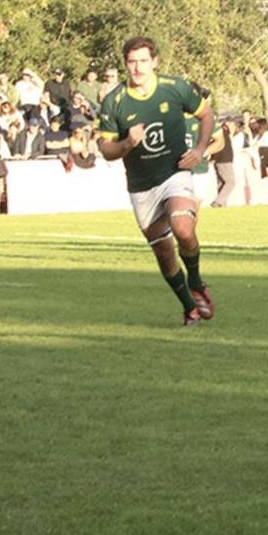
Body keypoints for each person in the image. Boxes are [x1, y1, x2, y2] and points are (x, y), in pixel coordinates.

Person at [96, 35, 215, 325]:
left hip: (175, 173)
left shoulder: (175, 88)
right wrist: (127, 144)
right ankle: (189, 306)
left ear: (155, 62)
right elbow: (106, 149)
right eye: (132, 62)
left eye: (143, 61)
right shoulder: (114, 102)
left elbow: (206, 114)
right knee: (163, 251)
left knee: (183, 228)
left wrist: (199, 150)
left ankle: (197, 282)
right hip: (141, 185)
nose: (137, 68)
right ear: (125, 64)